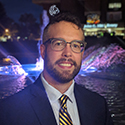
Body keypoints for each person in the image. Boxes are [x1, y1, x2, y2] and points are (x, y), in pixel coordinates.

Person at [0, 12, 114, 125]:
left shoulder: (98, 105)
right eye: (59, 44)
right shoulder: (9, 111)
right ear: (43, 51)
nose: (68, 53)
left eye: (75, 45)